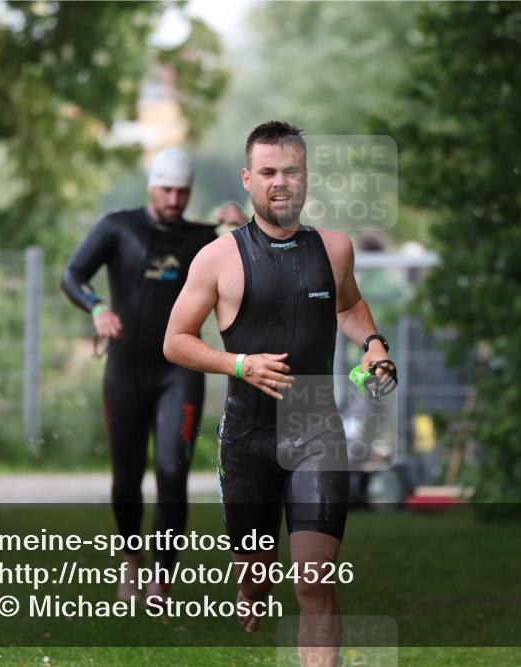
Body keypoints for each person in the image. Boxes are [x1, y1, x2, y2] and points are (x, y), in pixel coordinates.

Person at [163, 121, 395, 666]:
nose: (280, 182)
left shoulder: (334, 249)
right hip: (246, 435)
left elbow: (349, 306)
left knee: (314, 581)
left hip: (315, 425)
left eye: (291, 170)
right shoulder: (217, 259)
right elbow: (175, 341)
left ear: (306, 177)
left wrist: (375, 344)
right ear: (248, 179)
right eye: (268, 172)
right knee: (256, 571)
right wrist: (237, 363)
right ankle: (251, 586)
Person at [60, 148, 217, 602]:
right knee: (126, 478)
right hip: (125, 370)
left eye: (182, 191)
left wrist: (234, 219)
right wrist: (98, 307)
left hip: (180, 372)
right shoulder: (118, 226)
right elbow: (73, 274)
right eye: (166, 189)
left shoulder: (204, 237)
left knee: (172, 470)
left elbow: (249, 238)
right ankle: (132, 560)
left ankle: (161, 578)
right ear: (152, 186)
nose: (173, 199)